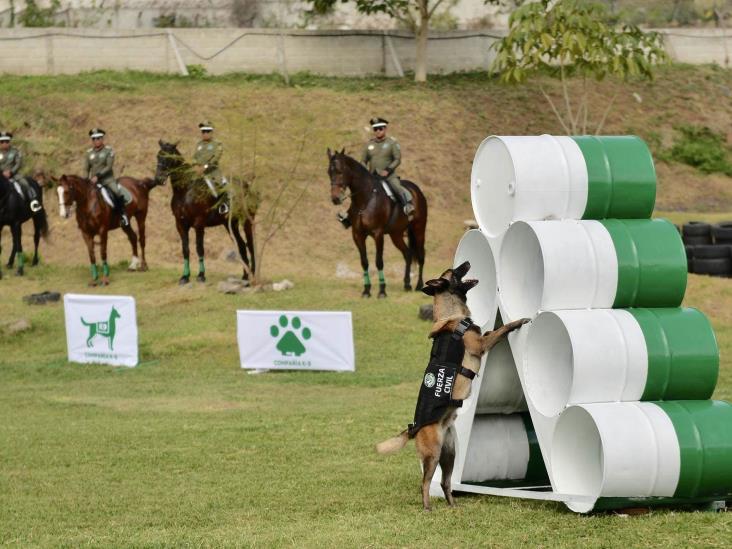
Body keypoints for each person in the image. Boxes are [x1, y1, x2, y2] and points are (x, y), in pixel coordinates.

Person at [361, 117, 414, 218]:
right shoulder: (369, 145)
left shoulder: (392, 143)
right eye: (375, 129)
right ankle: (348, 216)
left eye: (380, 128)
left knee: (397, 187)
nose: (378, 131)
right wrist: (365, 171)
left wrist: (388, 170)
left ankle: (408, 206)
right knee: (359, 191)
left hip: (389, 176)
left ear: (385, 129)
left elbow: (397, 159)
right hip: (373, 177)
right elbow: (363, 160)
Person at [84, 128, 129, 227]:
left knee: (117, 192)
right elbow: (86, 168)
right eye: (94, 139)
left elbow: (108, 167)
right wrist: (85, 180)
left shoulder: (109, 151)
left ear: (102, 139)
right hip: (93, 182)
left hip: (107, 180)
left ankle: (122, 214)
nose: (96, 141)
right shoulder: (89, 153)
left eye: (98, 138)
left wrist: (97, 176)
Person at [0, 131, 42, 212]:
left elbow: (18, 163)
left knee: (25, 183)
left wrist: (11, 172)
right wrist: (2, 173)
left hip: (14, 174)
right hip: (0, 175)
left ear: (9, 142)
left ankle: (33, 202)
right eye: (2, 142)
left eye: (7, 141)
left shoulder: (15, 151)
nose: (4, 143)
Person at [192, 121, 228, 215]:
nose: (205, 134)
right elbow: (194, 157)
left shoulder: (217, 144)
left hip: (213, 171)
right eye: (203, 132)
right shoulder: (199, 144)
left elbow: (216, 157)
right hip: (199, 172)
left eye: (207, 131)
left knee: (221, 185)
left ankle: (223, 205)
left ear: (211, 133)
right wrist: (195, 165)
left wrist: (205, 166)